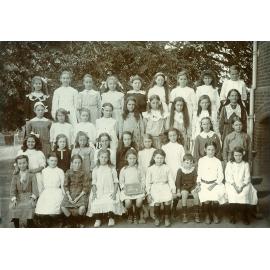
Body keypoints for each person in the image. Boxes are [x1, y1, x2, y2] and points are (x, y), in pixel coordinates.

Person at [87, 150, 124, 227]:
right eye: (102, 157)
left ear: (108, 158)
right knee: (95, 201)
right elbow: (94, 183)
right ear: (98, 157)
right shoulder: (96, 169)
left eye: (106, 157)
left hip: (110, 190)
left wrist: (114, 193)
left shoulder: (111, 168)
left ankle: (111, 218)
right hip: (98, 190)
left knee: (111, 201)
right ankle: (98, 219)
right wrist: (94, 193)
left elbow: (116, 182)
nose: (104, 159)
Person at [225, 146, 258, 225]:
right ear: (233, 155)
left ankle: (244, 216)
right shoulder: (230, 164)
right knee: (232, 194)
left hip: (243, 184)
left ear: (242, 155)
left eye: (239, 155)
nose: (238, 157)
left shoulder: (245, 164)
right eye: (236, 155)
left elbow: (247, 177)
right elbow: (228, 176)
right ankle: (233, 215)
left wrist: (242, 186)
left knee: (244, 194)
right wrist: (235, 187)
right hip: (232, 184)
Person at [196, 142, 226, 224]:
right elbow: (199, 174)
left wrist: (213, 185)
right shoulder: (201, 160)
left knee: (216, 198)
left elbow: (221, 176)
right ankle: (207, 215)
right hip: (204, 184)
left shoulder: (218, 161)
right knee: (206, 200)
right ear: (205, 150)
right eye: (209, 149)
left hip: (215, 184)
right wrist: (198, 184)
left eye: (213, 150)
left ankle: (214, 214)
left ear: (215, 150)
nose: (211, 151)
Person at [145, 149, 176, 227]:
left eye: (161, 158)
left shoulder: (167, 168)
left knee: (167, 201)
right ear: (154, 158)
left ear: (164, 159)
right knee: (157, 201)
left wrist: (173, 190)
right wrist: (148, 193)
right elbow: (147, 182)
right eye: (158, 158)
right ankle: (157, 218)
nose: (159, 160)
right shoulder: (150, 169)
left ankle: (167, 218)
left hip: (165, 186)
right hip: (155, 187)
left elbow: (171, 180)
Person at [35, 153, 65, 227]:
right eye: (51, 160)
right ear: (47, 160)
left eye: (55, 161)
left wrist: (64, 194)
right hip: (46, 191)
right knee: (43, 208)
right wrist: (40, 194)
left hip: (57, 191)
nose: (53, 162)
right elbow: (41, 184)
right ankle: (47, 222)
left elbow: (63, 184)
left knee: (55, 209)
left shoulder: (60, 171)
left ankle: (57, 221)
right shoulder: (44, 171)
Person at [9, 155, 38, 228]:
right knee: (14, 206)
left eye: (24, 163)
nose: (22, 165)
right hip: (19, 197)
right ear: (17, 165)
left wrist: (32, 198)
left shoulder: (31, 175)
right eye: (20, 163)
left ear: (27, 163)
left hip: (29, 196)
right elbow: (12, 189)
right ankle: (17, 225)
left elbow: (35, 189)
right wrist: (14, 199)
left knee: (30, 206)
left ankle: (29, 225)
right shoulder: (15, 176)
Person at [61, 155, 90, 228]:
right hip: (70, 193)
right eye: (75, 162)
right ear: (72, 163)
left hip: (81, 193)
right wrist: (69, 196)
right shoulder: (68, 172)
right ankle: (72, 222)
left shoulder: (84, 173)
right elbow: (65, 185)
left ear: (81, 163)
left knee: (82, 208)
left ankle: (79, 221)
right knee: (63, 207)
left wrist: (78, 198)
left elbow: (86, 187)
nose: (77, 165)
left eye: (79, 163)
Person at [162, 128, 185, 217]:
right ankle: (166, 209)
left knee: (176, 189)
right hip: (168, 170)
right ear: (168, 136)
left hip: (177, 171)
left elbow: (183, 160)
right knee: (167, 189)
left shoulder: (180, 147)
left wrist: (181, 171)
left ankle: (174, 208)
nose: (173, 137)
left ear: (177, 135)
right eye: (170, 135)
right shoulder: (164, 147)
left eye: (174, 135)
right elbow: (162, 160)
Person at [119, 149, 145, 224]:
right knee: (127, 202)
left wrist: (142, 187)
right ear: (126, 158)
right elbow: (121, 181)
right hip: (127, 190)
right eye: (130, 158)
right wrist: (124, 188)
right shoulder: (123, 169)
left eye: (134, 158)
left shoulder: (139, 169)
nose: (132, 160)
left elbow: (143, 179)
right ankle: (130, 214)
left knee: (139, 201)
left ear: (136, 159)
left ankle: (136, 214)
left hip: (138, 190)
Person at [176, 153, 200, 223]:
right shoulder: (180, 170)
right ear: (183, 162)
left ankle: (196, 213)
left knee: (196, 194)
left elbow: (196, 180)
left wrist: (196, 187)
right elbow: (177, 181)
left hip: (192, 185)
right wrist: (178, 190)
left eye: (191, 163)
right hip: (184, 186)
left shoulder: (193, 169)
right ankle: (184, 214)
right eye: (187, 163)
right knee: (184, 194)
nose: (189, 165)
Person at [138, 134, 156, 219]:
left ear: (152, 142)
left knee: (151, 191)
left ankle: (152, 211)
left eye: (149, 141)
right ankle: (145, 211)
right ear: (143, 142)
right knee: (144, 192)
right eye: (145, 141)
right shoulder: (140, 153)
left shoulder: (154, 151)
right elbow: (139, 165)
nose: (147, 143)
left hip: (152, 174)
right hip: (143, 174)